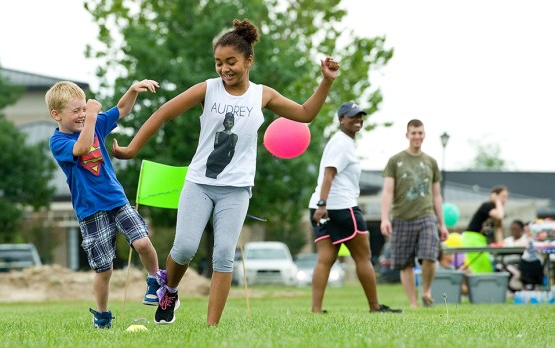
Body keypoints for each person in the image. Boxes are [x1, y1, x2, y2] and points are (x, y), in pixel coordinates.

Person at [112, 18, 340, 326]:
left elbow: (305, 114)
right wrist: (131, 149)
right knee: (185, 247)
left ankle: (211, 328)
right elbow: (164, 113)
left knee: (223, 256)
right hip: (199, 184)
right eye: (218, 63)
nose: (224, 69)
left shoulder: (263, 95)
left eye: (231, 61)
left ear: (249, 60)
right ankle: (171, 290)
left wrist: (325, 81)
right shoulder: (208, 89)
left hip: (237, 189)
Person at [46, 80, 162, 329]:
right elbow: (82, 147)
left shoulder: (94, 122)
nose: (82, 115)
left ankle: (155, 280)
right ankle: (102, 314)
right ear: (56, 115)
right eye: (75, 111)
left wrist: (132, 90)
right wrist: (91, 117)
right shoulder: (58, 142)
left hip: (116, 200)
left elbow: (121, 110)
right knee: (104, 269)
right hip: (90, 211)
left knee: (141, 241)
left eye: (83, 109)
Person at [308, 102, 401, 314]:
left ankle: (316, 309)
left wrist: (320, 205)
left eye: (360, 116)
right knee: (363, 256)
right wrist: (323, 205)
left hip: (321, 206)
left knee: (326, 258)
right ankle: (375, 307)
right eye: (352, 116)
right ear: (341, 119)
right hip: (340, 207)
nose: (357, 119)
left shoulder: (341, 142)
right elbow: (329, 174)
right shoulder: (342, 143)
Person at [380, 119, 449, 308]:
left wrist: (442, 223)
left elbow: (436, 195)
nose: (417, 136)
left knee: (429, 255)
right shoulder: (395, 161)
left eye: (420, 133)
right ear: (407, 135)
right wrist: (385, 218)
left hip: (426, 216)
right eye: (413, 133)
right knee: (405, 263)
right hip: (401, 217)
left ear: (424, 135)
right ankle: (413, 303)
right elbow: (387, 191)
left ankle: (426, 291)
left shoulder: (431, 162)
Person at [462, 185, 508, 273]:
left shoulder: (497, 211)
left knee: (487, 267)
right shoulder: (487, 206)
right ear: (495, 196)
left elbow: (498, 229)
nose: (504, 200)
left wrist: (501, 245)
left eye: (506, 197)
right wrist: (497, 201)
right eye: (503, 196)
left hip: (481, 240)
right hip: (472, 239)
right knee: (476, 268)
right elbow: (499, 215)